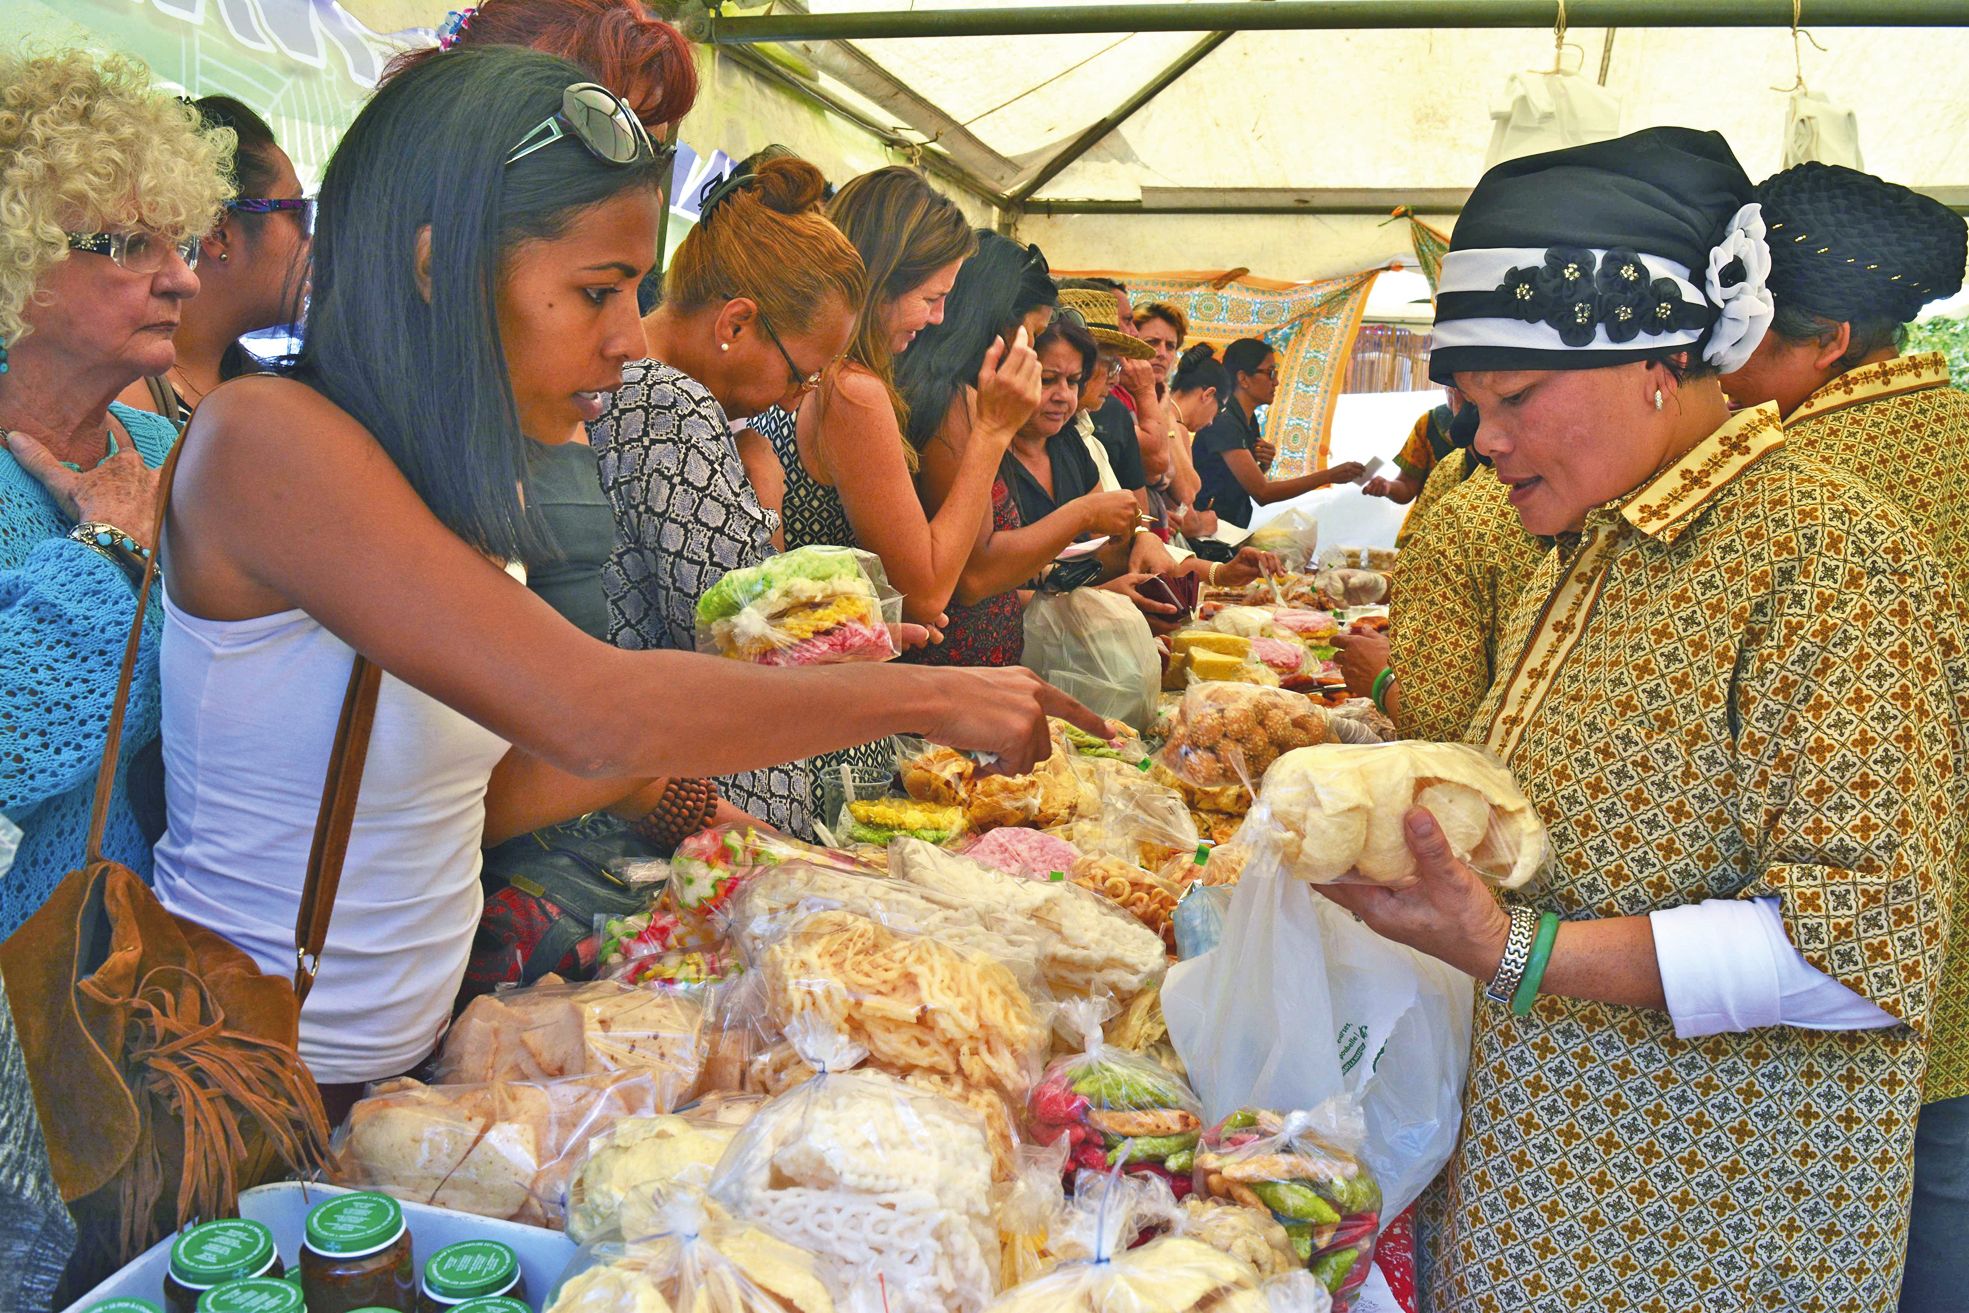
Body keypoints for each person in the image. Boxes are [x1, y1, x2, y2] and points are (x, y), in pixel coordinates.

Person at [150, 49, 1096, 1105]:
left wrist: (713, 819)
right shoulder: (265, 442)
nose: (622, 340)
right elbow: (593, 708)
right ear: (438, 268)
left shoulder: (445, 480)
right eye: (597, 292)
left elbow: (483, 785)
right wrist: (930, 694)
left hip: (389, 1075)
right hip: (248, 1085)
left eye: (633, 291)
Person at [1313, 127, 1968, 1311]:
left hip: (1700, 1235)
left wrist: (1515, 951)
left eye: (1515, 396)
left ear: (1662, 363)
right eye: (1470, 404)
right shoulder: (1590, 542)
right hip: (1540, 1202)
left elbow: (1863, 946)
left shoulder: (1828, 564)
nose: (1487, 438)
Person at [1713, 161, 1969, 1313]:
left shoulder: (1787, 484)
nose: (1715, 371)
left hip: (1825, 971)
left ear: (1826, 343)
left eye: (1740, 337)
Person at [0, 44, 232, 1307]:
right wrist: (114, 551)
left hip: (153, 994)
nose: (183, 275)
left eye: (178, 239)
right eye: (121, 242)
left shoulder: (168, 443)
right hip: (17, 1029)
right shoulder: (137, 487)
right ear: (14, 257)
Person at [599, 156, 866, 835]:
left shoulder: (640, 390)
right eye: (799, 373)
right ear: (735, 324)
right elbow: (739, 629)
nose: (798, 395)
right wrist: (769, 506)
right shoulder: (671, 403)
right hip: (698, 809)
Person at [769, 169, 1040, 630]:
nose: (937, 319)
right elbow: (927, 594)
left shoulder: (819, 366)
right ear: (882, 283)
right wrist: (994, 430)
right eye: (932, 298)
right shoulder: (853, 389)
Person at [920, 315, 1156, 663]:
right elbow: (975, 582)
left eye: (1074, 381)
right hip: (983, 656)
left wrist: (1141, 543)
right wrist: (1093, 592)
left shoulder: (1068, 442)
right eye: (1047, 380)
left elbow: (1101, 550)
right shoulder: (977, 449)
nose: (1063, 396)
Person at [114, 97, 309, 425]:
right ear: (217, 232)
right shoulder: (118, 396)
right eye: (297, 212)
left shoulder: (271, 392)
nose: (312, 240)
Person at [1190, 337, 1363, 532]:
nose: (1276, 382)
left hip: (1228, 529)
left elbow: (1236, 481)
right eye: (1270, 373)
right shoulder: (1223, 421)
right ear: (1243, 379)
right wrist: (1329, 475)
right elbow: (1262, 493)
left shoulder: (1247, 419)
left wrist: (1261, 466)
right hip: (1205, 534)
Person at [1363, 385, 1468, 510]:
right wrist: (1388, 487)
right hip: (1428, 521)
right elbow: (1407, 486)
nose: (1452, 391)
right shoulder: (1428, 423)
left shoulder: (1493, 426)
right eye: (1447, 385)